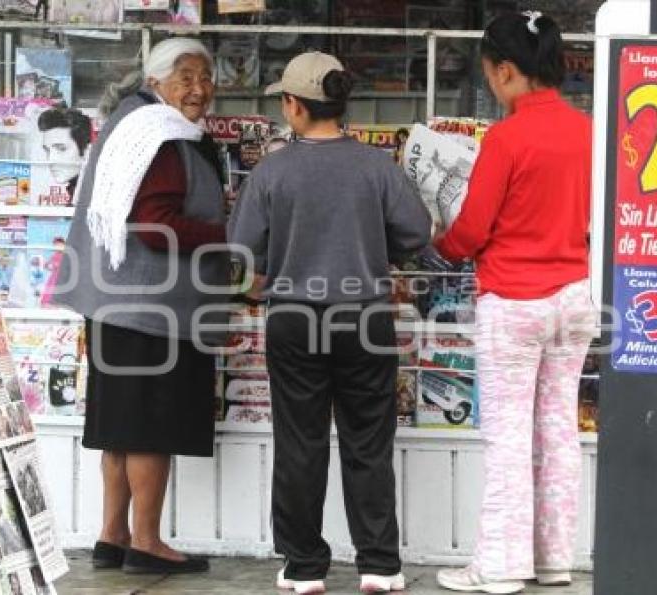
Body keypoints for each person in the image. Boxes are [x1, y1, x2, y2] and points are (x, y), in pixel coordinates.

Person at [228, 52, 431, 594]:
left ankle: (304, 568)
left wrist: (259, 287)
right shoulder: (375, 167)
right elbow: (416, 232)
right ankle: (379, 565)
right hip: (364, 316)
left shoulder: (272, 172)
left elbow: (239, 255)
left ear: (295, 106)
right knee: (368, 439)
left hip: (294, 316)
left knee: (300, 440)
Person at [433, 11, 596, 594]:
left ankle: (499, 567)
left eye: (489, 77)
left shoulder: (505, 137)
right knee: (558, 431)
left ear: (505, 71)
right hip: (575, 297)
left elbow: (473, 230)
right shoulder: (587, 131)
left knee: (507, 436)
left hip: (514, 300)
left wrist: (440, 240)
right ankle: (554, 560)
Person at [53, 37, 229, 575]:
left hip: (115, 304)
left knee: (120, 426)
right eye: (185, 78)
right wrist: (225, 235)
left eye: (204, 77)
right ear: (156, 82)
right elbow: (155, 225)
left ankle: (113, 536)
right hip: (151, 309)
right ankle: (147, 543)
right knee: (151, 427)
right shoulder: (160, 136)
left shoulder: (132, 122)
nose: (198, 89)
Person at [36, 107, 92, 198]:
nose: (51, 160)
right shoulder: (77, 189)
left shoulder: (92, 195)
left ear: (86, 151)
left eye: (61, 149)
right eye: (47, 150)